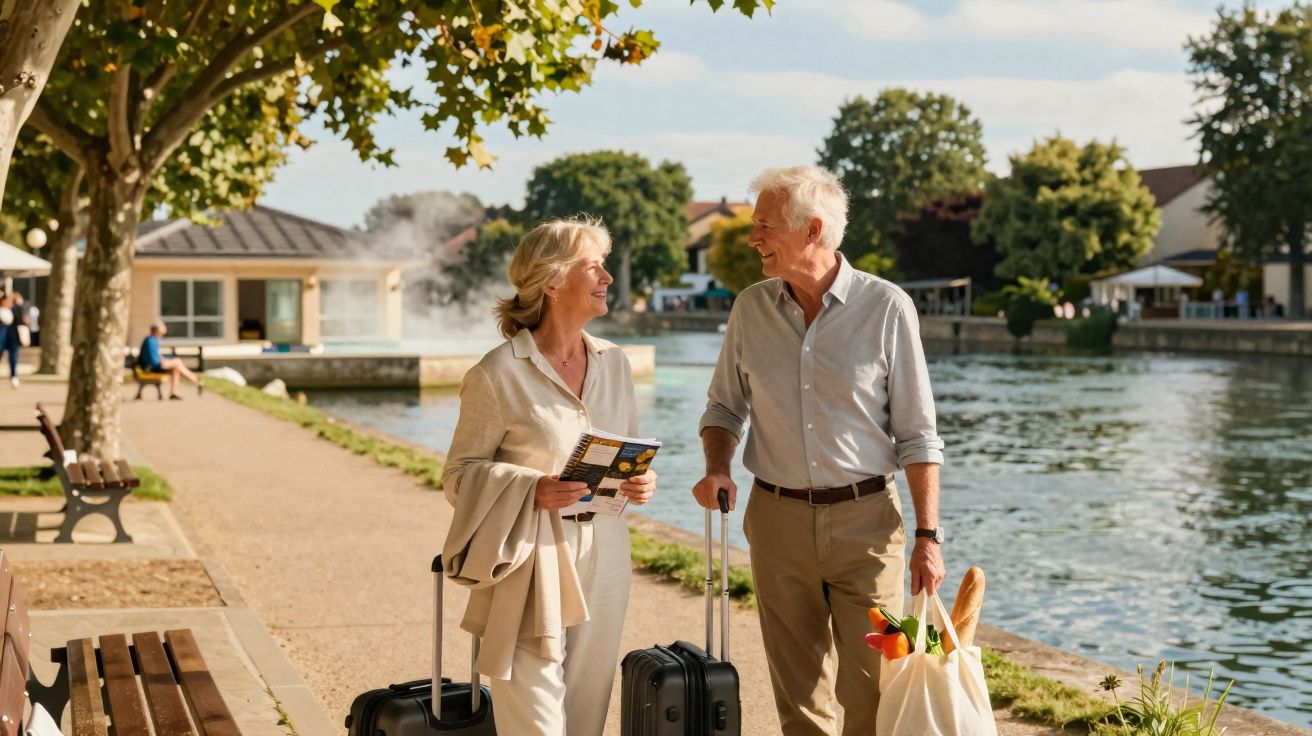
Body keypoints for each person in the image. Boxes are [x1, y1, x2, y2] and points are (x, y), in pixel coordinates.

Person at [693, 166, 946, 736]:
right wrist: (717, 467)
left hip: (868, 528)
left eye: (764, 226)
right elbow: (723, 409)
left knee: (877, 688)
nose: (754, 237)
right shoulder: (749, 309)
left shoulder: (887, 308)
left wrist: (928, 538)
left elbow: (918, 435)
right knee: (798, 695)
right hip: (776, 522)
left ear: (811, 230)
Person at [440, 217, 658, 736]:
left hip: (606, 550)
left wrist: (639, 485)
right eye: (593, 267)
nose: (606, 277)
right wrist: (529, 488)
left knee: (585, 712)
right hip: (529, 557)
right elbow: (457, 476)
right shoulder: (496, 374)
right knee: (535, 721)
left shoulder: (615, 362)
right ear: (554, 281)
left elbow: (625, 449)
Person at [138, 323, 199, 399]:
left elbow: (156, 355)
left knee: (176, 368)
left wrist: (164, 359)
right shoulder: (150, 340)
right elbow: (153, 359)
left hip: (153, 365)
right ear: (157, 331)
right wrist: (163, 361)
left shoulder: (152, 340)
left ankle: (173, 393)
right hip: (151, 367)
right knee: (177, 362)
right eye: (162, 331)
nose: (163, 334)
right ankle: (193, 378)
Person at [0, 293, 20, 388]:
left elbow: (20, 320)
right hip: (1, 336)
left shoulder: (15, 310)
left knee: (13, 357)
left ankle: (14, 376)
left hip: (12, 336)